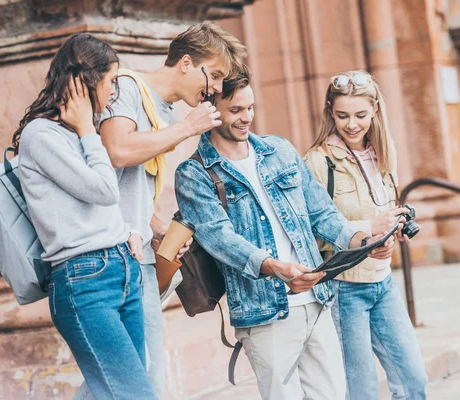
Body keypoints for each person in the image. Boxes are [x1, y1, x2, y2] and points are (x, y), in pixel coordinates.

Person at [174, 66, 395, 400]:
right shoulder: (194, 173)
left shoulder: (279, 151)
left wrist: (362, 243)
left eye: (250, 108)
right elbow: (220, 239)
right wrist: (278, 269)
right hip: (264, 311)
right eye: (235, 110)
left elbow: (323, 214)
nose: (246, 118)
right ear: (211, 109)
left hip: (316, 300)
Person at [92, 21, 247, 399]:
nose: (214, 90)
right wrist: (186, 129)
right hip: (115, 258)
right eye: (212, 77)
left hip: (139, 256)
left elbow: (125, 191)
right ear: (186, 62)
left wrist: (161, 229)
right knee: (138, 379)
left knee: (130, 378)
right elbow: (118, 151)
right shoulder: (129, 87)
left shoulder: (162, 110)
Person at [14, 34, 155, 399]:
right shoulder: (40, 135)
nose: (114, 93)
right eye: (110, 82)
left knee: (106, 392)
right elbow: (104, 190)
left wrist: (127, 230)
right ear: (86, 83)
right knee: (134, 394)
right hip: (84, 281)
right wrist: (89, 131)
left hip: (121, 269)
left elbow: (98, 204)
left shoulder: (76, 134)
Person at [304, 70, 428, 399]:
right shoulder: (318, 162)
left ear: (374, 110)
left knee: (414, 380)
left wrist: (394, 228)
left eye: (360, 115)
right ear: (330, 112)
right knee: (361, 392)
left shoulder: (384, 154)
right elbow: (312, 229)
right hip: (345, 289)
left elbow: (385, 208)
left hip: (383, 284)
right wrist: (364, 238)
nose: (352, 124)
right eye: (342, 115)